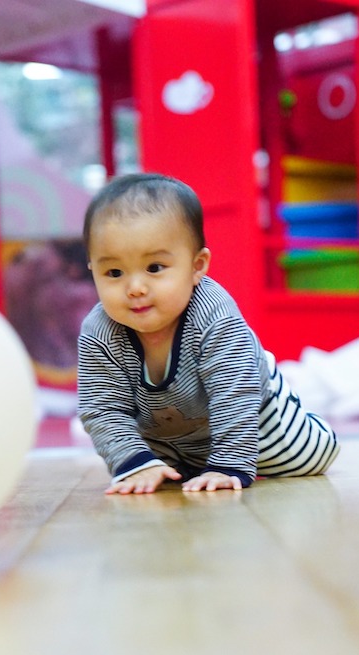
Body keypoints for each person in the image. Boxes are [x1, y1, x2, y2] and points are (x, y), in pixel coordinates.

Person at [77, 173, 339, 495]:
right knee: (159, 471)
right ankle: (186, 461)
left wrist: (229, 464)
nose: (135, 288)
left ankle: (292, 428)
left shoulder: (213, 314)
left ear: (197, 265)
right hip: (168, 435)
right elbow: (102, 407)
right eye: (114, 273)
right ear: (93, 270)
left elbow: (235, 391)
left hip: (252, 413)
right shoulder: (99, 332)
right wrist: (134, 462)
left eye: (155, 268)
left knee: (308, 458)